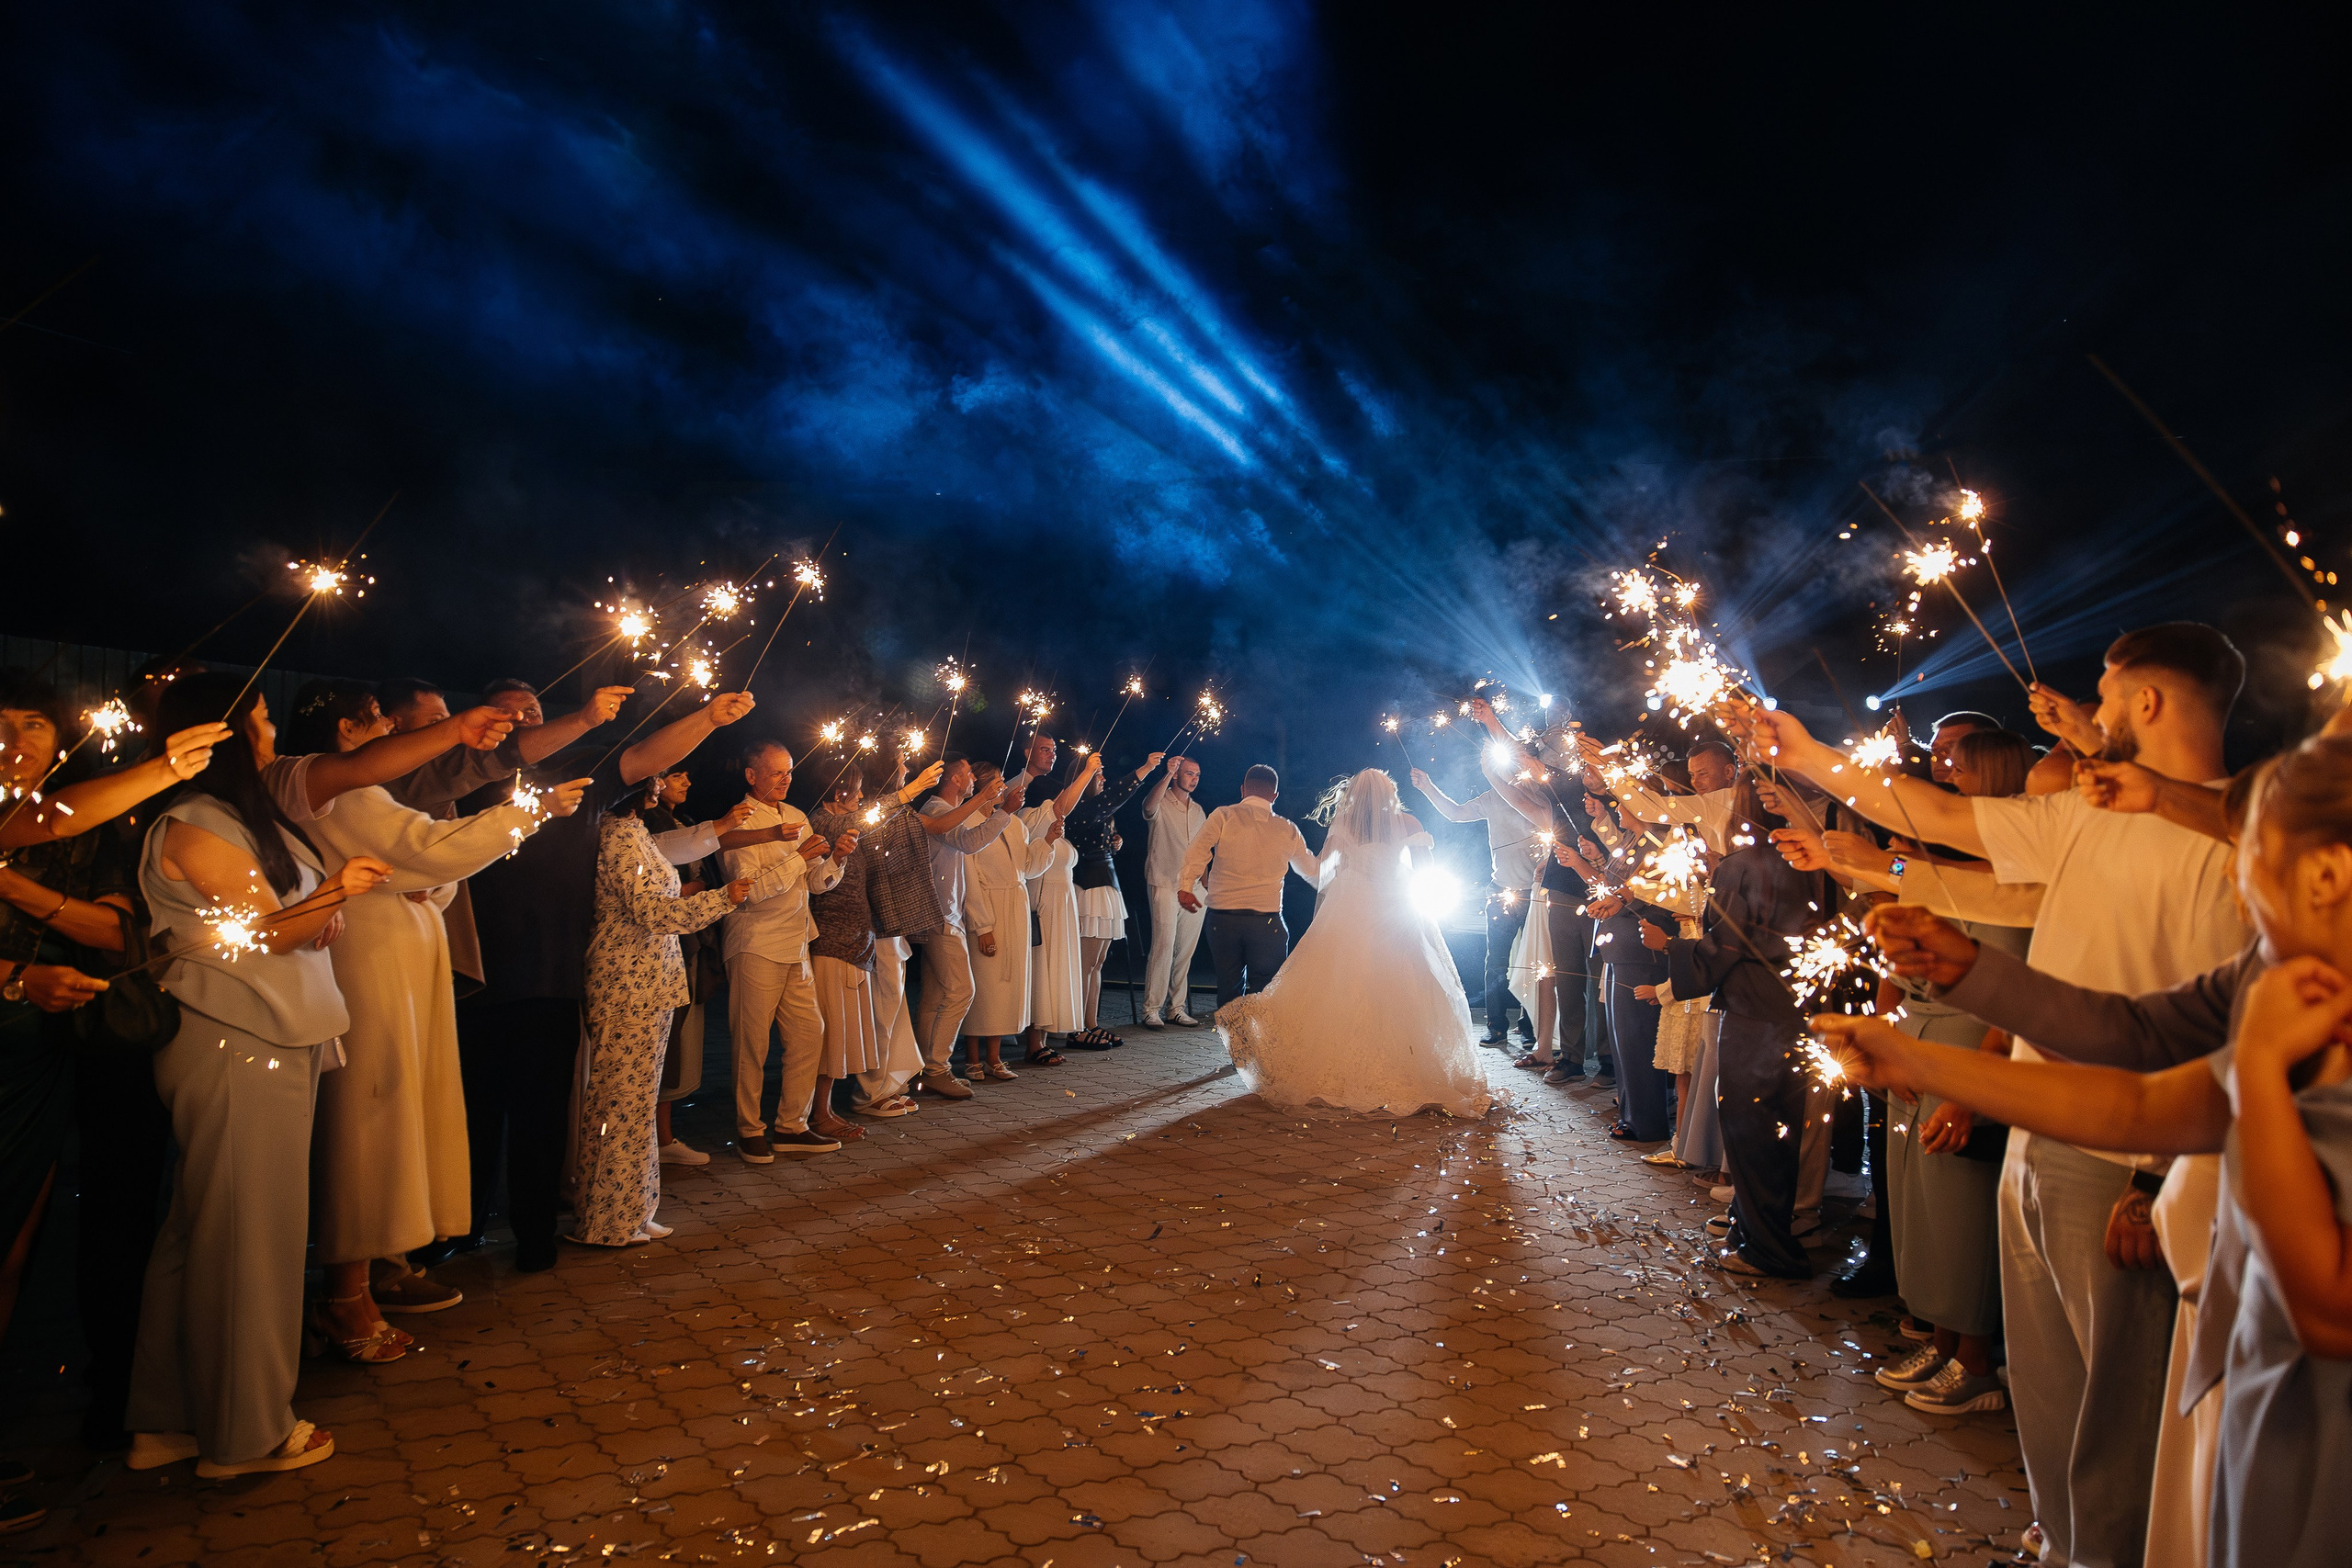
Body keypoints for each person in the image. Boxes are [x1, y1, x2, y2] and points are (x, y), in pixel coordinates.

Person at [1746, 622, 2250, 1567]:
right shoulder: (2092, 816)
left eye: (2106, 693)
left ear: (2145, 702)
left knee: (2124, 1403)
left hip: (2128, 1157)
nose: (2088, 715)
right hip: (2038, 1126)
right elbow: (1943, 830)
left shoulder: (2236, 841)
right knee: (2051, 1386)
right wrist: (1814, 763)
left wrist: (2154, 1178)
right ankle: (2061, 1539)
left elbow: (2212, 1038)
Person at [1814, 728, 2352, 1568]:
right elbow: (2134, 1078)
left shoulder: (2288, 1004)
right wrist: (1918, 1048)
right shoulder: (2282, 979)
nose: (2242, 896)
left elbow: (2328, 1305)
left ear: (2327, 875)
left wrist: (2253, 1062)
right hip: (2261, 1371)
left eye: (2254, 866)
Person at [126, 671, 509, 1478]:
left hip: (272, 1035)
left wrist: (322, 904)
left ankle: (166, 1417)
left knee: (201, 1233)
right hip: (238, 1043)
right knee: (248, 1244)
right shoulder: (194, 824)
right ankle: (245, 1433)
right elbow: (259, 934)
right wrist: (332, 894)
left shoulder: (245, 817)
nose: (269, 736)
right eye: (259, 723)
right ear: (224, 735)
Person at [284, 679, 578, 1359]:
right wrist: (526, 815)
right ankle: (345, 1291)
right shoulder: (341, 791)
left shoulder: (370, 792)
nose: (392, 730)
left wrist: (433, 872)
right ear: (351, 730)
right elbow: (425, 848)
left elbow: (434, 871)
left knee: (398, 1112)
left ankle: (381, 1266)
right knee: (368, 1115)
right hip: (367, 961)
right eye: (379, 721)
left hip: (405, 965)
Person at [453, 681, 757, 1273]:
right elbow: (650, 907)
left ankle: (568, 1224)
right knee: (485, 1108)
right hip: (494, 974)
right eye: (516, 715)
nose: (531, 721)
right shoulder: (468, 780)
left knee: (566, 1112)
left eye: (538, 710)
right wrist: (721, 899)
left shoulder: (589, 795)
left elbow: (643, 764)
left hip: (565, 974)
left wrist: (708, 718)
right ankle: (474, 1227)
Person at [0, 680, 225, 1467]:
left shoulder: (70, 822)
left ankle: (95, 1404)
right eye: (0, 725)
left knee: (41, 1241)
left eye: (32, 724)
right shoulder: (36, 816)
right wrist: (15, 977)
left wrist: (13, 886)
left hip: (62, 1048)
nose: (17, 740)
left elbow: (116, 928)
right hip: (15, 1035)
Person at [1215, 769, 1491, 1116]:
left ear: (1355, 797)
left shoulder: (1344, 826)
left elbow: (1326, 875)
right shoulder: (1409, 823)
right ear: (1391, 794)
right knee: (1403, 983)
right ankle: (1406, 1062)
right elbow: (1424, 869)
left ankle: (1340, 1061)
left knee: (1344, 982)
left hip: (1351, 909)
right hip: (1397, 911)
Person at [1657, 773, 1837, 1280]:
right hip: (1802, 1007)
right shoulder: (1820, 858)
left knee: (1752, 1129)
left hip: (1755, 1009)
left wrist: (1669, 947)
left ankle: (1769, 1250)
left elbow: (1723, 947)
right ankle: (1757, 1225)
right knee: (1781, 1127)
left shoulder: (1747, 864)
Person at [571, 794, 749, 1247]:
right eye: (652, 776)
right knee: (618, 1103)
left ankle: (634, 1207)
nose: (659, 785)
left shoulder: (634, 832)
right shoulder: (615, 835)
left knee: (638, 1103)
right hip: (625, 982)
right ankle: (606, 1219)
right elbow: (652, 912)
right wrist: (721, 899)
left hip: (647, 982)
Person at [720, 740, 849, 1160]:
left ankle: (791, 1125)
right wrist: (798, 857)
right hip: (756, 942)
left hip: (796, 943)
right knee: (751, 1045)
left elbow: (814, 882)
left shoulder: (795, 816)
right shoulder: (737, 821)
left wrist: (837, 861)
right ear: (751, 775)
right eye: (776, 772)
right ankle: (748, 1129)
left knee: (810, 1034)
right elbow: (751, 892)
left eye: (790, 771)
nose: (785, 779)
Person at [1412, 750, 1544, 1046]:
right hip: (1501, 892)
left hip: (1536, 894)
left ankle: (1529, 1028)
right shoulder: (1492, 797)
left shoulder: (1538, 797)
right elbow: (1456, 813)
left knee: (1534, 963)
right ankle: (1496, 1026)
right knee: (1495, 963)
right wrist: (1428, 787)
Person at [839, 751, 945, 1116]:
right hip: (877, 921)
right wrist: (914, 788)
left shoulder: (898, 810)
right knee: (880, 1012)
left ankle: (891, 1082)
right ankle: (868, 1093)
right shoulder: (870, 810)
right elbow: (871, 827)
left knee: (894, 1008)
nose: (907, 767)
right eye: (900, 761)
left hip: (893, 923)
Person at [1178, 764, 1321, 1011]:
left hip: (1223, 920)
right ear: (1275, 796)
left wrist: (1185, 886)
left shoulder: (1223, 815)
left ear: (1243, 790)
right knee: (1266, 994)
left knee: (1229, 989)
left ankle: (1234, 1045)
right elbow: (1312, 872)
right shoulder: (1287, 828)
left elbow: (1197, 850)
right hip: (1266, 923)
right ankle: (1259, 1046)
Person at [906, 755, 1011, 1095]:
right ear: (954, 780)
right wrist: (1000, 809)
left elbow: (970, 837)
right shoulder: (936, 809)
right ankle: (936, 1067)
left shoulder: (945, 810)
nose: (973, 781)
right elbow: (969, 842)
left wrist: (1001, 811)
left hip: (946, 913)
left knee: (936, 996)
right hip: (939, 914)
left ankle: (923, 1067)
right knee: (962, 990)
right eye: (968, 775)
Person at [807, 768, 902, 1119]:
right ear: (837, 793)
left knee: (842, 1034)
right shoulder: (824, 824)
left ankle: (824, 1110)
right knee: (830, 1037)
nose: (862, 798)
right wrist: (910, 789)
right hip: (832, 942)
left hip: (854, 942)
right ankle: (818, 1112)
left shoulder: (845, 825)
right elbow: (867, 820)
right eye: (857, 791)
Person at [639, 769, 720, 1164]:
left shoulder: (680, 822)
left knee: (679, 1040)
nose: (686, 782)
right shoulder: (637, 830)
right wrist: (689, 892)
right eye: (675, 775)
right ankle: (656, 1140)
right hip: (656, 950)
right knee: (662, 1044)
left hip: (685, 945)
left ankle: (663, 1136)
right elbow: (654, 901)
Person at [1063, 750, 1164, 1047]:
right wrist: (1144, 768)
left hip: (1106, 885)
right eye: (1098, 775)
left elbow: (1107, 815)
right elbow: (1115, 797)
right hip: (1089, 888)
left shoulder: (1096, 811)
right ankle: (1075, 1026)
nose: (1104, 779)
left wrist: (1114, 842)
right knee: (1085, 963)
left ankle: (1091, 1022)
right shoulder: (1079, 808)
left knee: (1097, 964)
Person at [960, 764, 1054, 1077]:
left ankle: (995, 1057)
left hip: (1015, 906)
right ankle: (972, 1057)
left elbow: (1026, 868)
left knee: (1006, 984)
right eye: (999, 783)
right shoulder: (967, 823)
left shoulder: (1015, 825)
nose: (1005, 788)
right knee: (984, 983)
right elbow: (970, 878)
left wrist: (1048, 842)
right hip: (987, 907)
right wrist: (982, 926)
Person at [1022, 753, 1097, 1062]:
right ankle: (1033, 1044)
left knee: (1055, 970)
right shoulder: (1033, 816)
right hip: (1044, 903)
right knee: (1043, 969)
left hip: (1062, 906)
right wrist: (1089, 771)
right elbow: (1064, 803)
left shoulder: (1054, 826)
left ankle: (1042, 1038)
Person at [1139, 754, 1207, 1029]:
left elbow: (1204, 850)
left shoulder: (1199, 810)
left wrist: (1207, 882)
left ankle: (1176, 1008)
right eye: (1189, 773)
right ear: (1178, 773)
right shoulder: (1162, 800)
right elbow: (1147, 807)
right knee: (1164, 946)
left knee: (1185, 951)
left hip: (1193, 888)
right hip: (1164, 881)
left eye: (1197, 774)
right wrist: (1166, 773)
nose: (1194, 779)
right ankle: (1151, 1008)